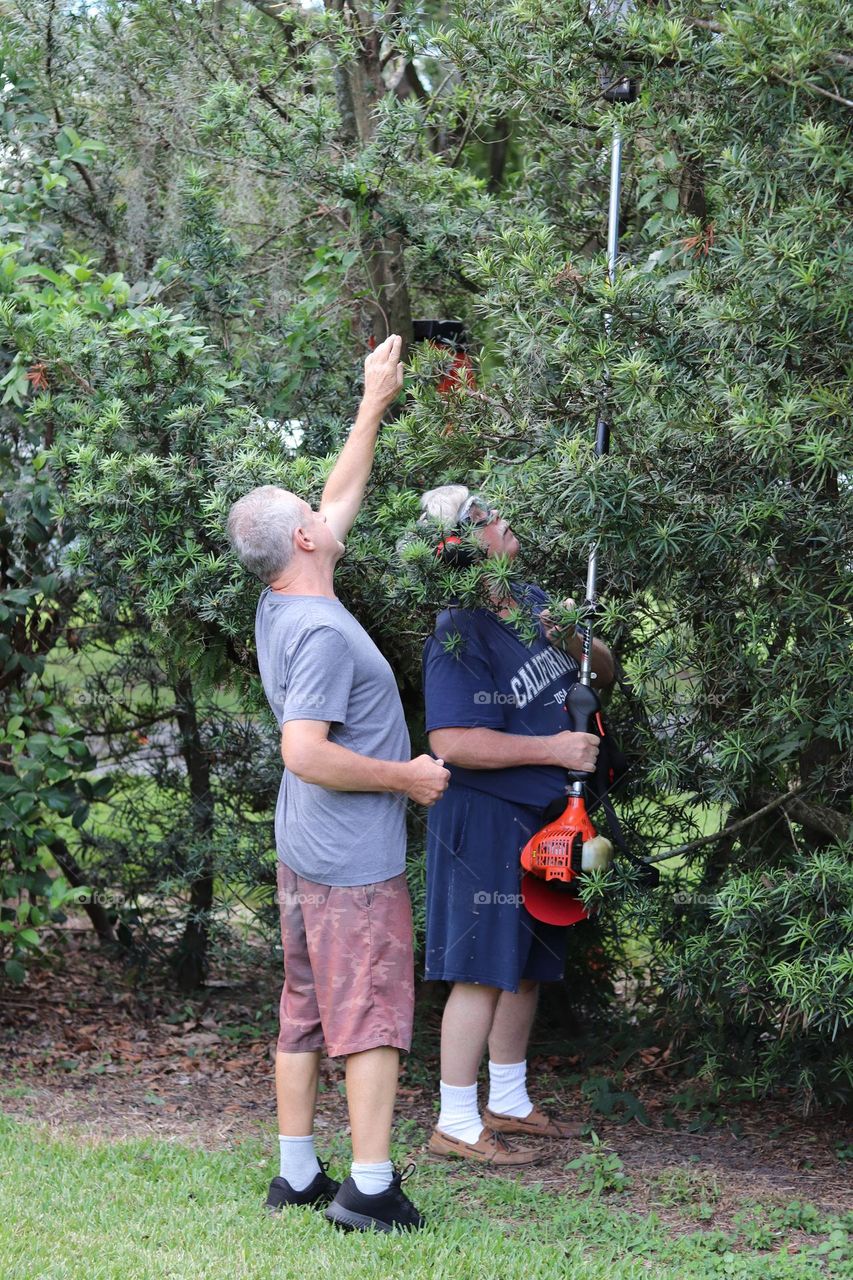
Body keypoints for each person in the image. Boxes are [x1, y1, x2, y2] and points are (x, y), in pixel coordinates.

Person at [226, 336, 449, 1233]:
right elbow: (304, 751)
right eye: (304, 507)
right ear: (305, 540)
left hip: (304, 846)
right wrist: (406, 776)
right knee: (372, 1013)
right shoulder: (316, 631)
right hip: (348, 856)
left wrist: (373, 403)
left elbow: (337, 494)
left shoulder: (285, 594)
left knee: (308, 1003)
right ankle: (367, 1188)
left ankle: (295, 1174)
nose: (319, 508)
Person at [419, 484, 615, 1164]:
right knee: (478, 970)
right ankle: (454, 1122)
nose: (505, 522)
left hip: (546, 816)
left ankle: (507, 1099)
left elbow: (602, 674)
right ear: (469, 540)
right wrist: (552, 750)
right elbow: (450, 741)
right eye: (491, 517)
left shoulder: (533, 603)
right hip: (485, 817)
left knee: (528, 964)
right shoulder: (456, 629)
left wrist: (576, 637)